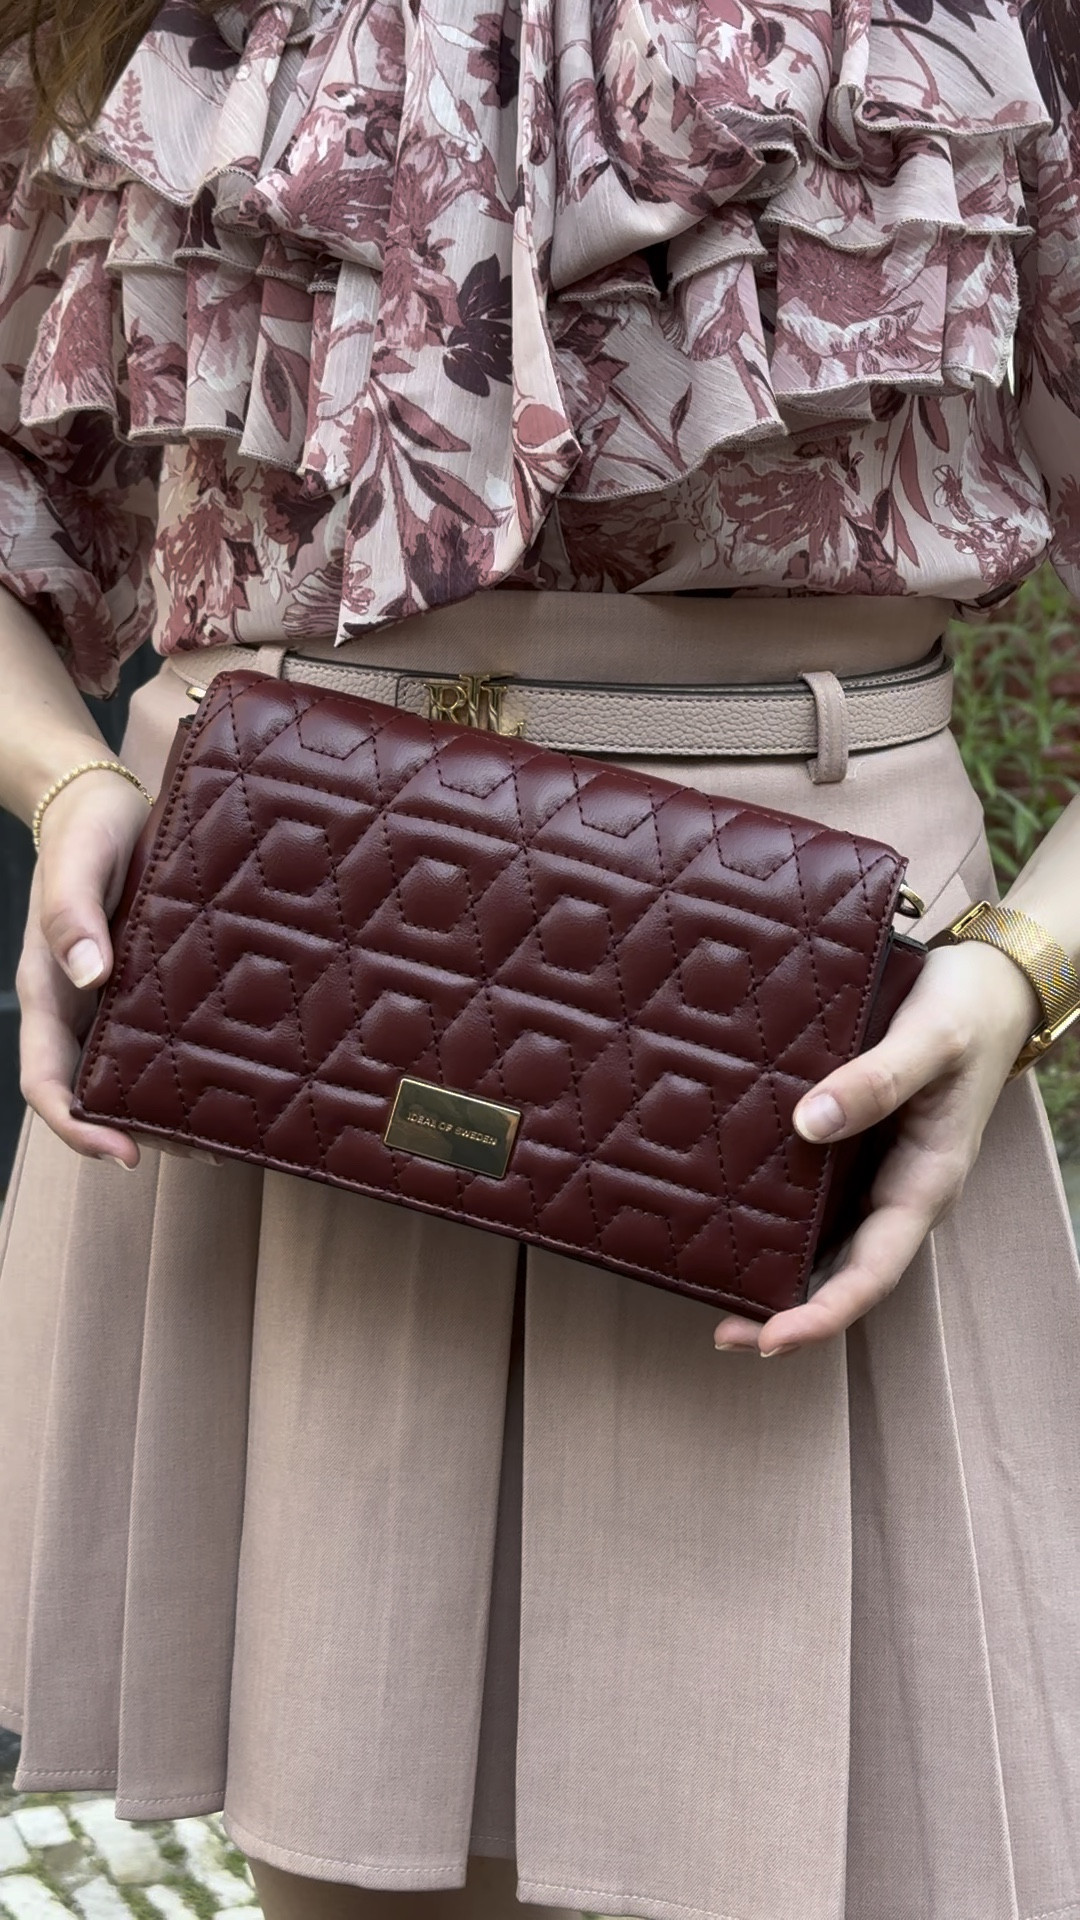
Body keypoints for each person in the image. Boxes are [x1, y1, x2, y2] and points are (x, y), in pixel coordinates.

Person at [1, 2, 1079, 1918]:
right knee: (345, 1878)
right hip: (291, 977)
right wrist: (68, 772)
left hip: (817, 1046)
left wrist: (1024, 966)